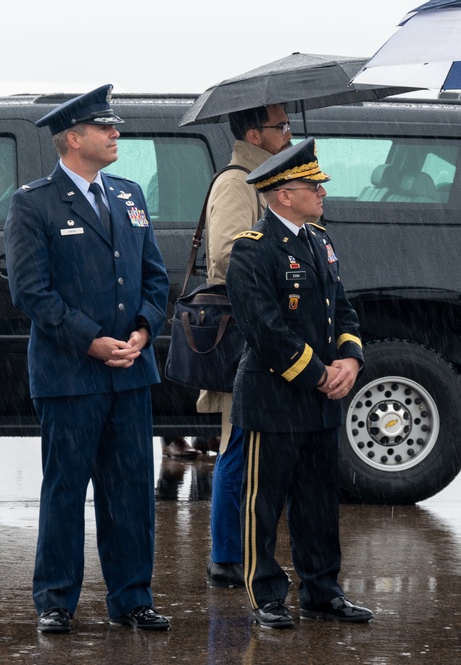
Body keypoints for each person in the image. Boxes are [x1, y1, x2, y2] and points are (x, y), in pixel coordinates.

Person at [3, 85, 171, 633]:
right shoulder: (34, 202)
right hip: (71, 375)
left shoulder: (129, 195)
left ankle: (132, 598)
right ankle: (55, 600)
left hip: (130, 372)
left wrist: (145, 328)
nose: (115, 133)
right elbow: (30, 291)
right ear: (73, 139)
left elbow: (155, 276)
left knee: (130, 493)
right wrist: (92, 339)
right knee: (65, 491)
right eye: (105, 128)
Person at [226, 138, 373, 628]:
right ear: (283, 195)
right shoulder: (252, 250)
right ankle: (266, 593)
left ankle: (322, 590)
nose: (321, 192)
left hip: (320, 401)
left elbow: (343, 310)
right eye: (313, 186)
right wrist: (318, 374)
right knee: (263, 503)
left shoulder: (321, 241)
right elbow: (265, 329)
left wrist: (349, 361)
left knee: (318, 503)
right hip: (275, 396)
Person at [199, 104, 293, 589]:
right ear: (255, 133)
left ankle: (243, 552)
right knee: (239, 443)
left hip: (265, 329)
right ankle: (226, 554)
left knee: (255, 444)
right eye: (281, 126)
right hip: (245, 333)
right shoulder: (238, 182)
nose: (289, 131)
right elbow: (227, 251)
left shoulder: (266, 179)